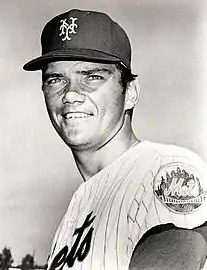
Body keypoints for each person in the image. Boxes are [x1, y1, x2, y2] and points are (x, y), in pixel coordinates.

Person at [23, 9, 207, 270]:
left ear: (130, 93)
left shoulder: (163, 167)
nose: (70, 94)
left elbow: (182, 248)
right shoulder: (77, 207)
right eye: (55, 79)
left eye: (92, 77)